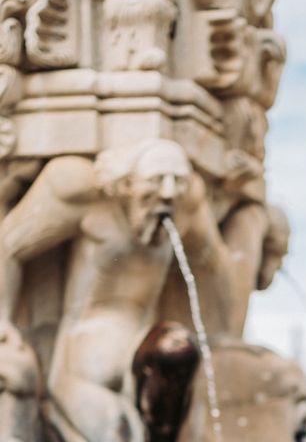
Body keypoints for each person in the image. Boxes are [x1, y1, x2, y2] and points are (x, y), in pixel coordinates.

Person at [0, 139, 232, 441]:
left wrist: (224, 338)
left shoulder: (186, 204)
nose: (168, 192)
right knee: (116, 433)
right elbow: (8, 245)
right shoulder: (80, 190)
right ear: (125, 184)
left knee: (180, 354)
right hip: (85, 356)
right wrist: (2, 319)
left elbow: (215, 267)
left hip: (146, 348)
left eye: (177, 181)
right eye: (155, 180)